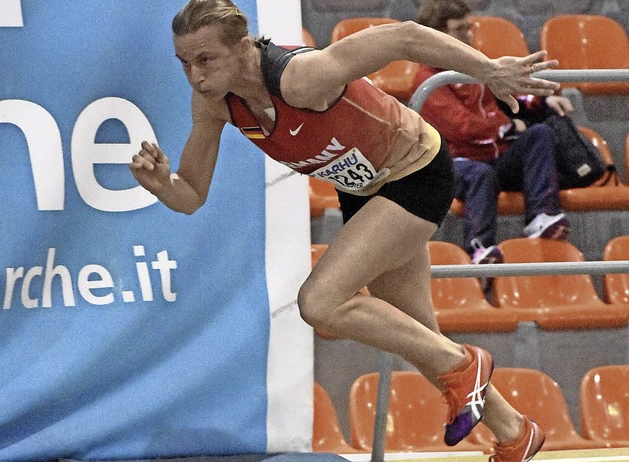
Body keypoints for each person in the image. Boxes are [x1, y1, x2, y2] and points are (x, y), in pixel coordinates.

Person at [129, 1, 559, 459]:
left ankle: (465, 365)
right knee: (418, 336)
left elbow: (404, 37)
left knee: (319, 302)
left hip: (416, 175)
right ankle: (514, 432)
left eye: (205, 59)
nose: (194, 75)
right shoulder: (214, 103)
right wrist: (161, 185)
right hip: (364, 191)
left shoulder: (300, 77)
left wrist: (487, 70)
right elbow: (191, 194)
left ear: (241, 47)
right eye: (184, 63)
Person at [413, 0, 573, 266]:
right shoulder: (427, 80)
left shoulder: (477, 62)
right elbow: (461, 127)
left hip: (495, 155)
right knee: (480, 174)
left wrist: (542, 102)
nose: (468, 34)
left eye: (469, 27)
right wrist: (506, 127)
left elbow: (506, 93)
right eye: (459, 29)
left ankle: (542, 215)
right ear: (437, 33)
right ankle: (480, 249)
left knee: (539, 134)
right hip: (456, 164)